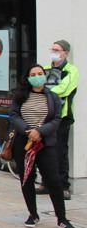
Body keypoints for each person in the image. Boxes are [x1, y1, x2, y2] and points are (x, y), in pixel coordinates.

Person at [9, 64, 74, 228]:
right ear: (28, 78)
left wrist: (39, 132)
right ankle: (33, 214)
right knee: (27, 179)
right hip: (24, 143)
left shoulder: (53, 97)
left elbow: (56, 119)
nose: (37, 76)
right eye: (33, 74)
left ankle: (62, 218)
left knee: (53, 179)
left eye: (40, 73)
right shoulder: (20, 96)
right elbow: (14, 115)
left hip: (46, 144)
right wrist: (27, 131)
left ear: (44, 77)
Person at [36, 40, 78, 200]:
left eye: (57, 50)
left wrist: (44, 90)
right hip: (44, 116)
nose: (53, 52)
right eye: (52, 49)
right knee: (42, 149)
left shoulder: (71, 71)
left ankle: (63, 187)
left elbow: (63, 90)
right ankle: (45, 183)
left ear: (65, 53)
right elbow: (34, 86)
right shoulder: (45, 70)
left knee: (60, 151)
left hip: (61, 117)